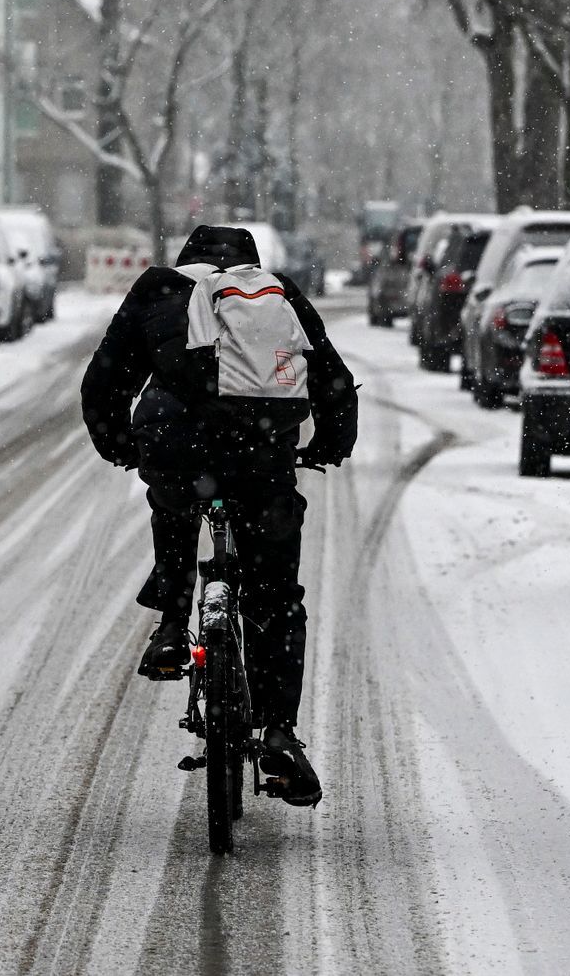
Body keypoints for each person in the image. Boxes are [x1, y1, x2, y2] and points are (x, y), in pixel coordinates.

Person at [81, 225, 357, 807]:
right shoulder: (276, 291)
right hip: (261, 451)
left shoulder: (161, 289)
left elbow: (104, 379)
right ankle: (278, 730)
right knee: (277, 595)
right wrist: (328, 444)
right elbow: (331, 379)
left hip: (177, 440)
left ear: (187, 260)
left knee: (175, 503)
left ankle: (173, 629)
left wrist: (120, 447)